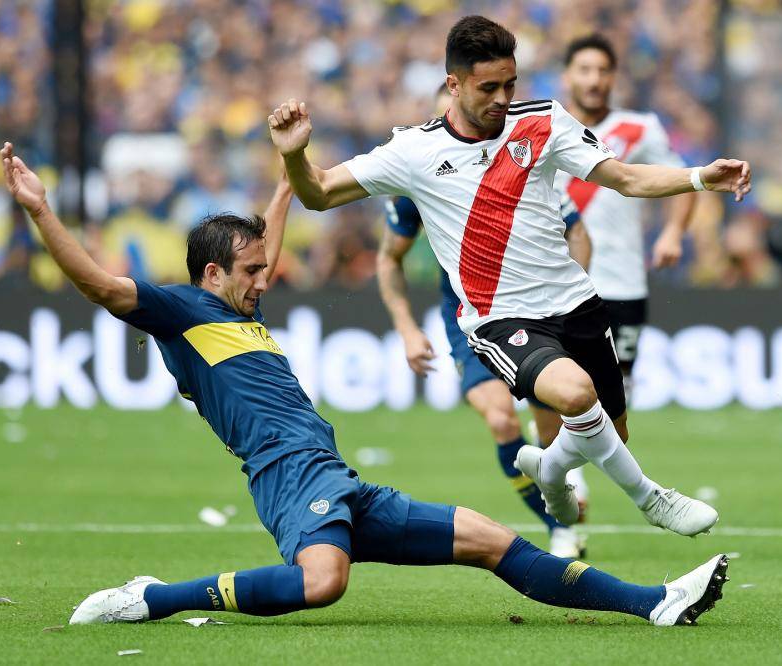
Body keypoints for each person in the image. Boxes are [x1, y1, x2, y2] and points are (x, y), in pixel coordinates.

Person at [0, 141, 729, 627]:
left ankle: (657, 602)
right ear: (211, 274)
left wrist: (289, 163)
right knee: (324, 582)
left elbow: (269, 238)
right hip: (288, 478)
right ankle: (152, 599)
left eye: (263, 269)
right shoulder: (181, 311)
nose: (265, 280)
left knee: (491, 539)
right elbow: (100, 285)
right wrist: (39, 209)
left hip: (335, 475)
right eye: (250, 272)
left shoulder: (239, 307)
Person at [271, 15, 750, 533]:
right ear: (454, 84)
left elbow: (627, 178)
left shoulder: (544, 121)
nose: (502, 98)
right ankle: (652, 499)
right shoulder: (414, 151)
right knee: (576, 395)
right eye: (488, 88)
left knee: (612, 433)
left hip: (575, 300)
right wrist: (295, 155)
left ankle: (550, 468)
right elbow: (319, 193)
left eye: (510, 84)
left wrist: (700, 178)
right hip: (500, 317)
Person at [378, 87, 592, 559]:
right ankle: (558, 527)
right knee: (499, 418)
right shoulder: (420, 172)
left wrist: (570, 299)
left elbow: (577, 230)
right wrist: (407, 328)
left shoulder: (520, 165)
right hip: (468, 317)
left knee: (550, 428)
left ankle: (562, 479)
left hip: (532, 310)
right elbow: (389, 258)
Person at [556, 34, 697, 404]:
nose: (594, 79)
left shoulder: (640, 128)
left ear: (613, 78)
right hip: (558, 284)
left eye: (603, 71)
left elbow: (682, 180)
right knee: (560, 393)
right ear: (566, 76)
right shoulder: (545, 128)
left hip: (622, 281)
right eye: (584, 70)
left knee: (616, 396)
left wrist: (672, 232)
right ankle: (555, 446)